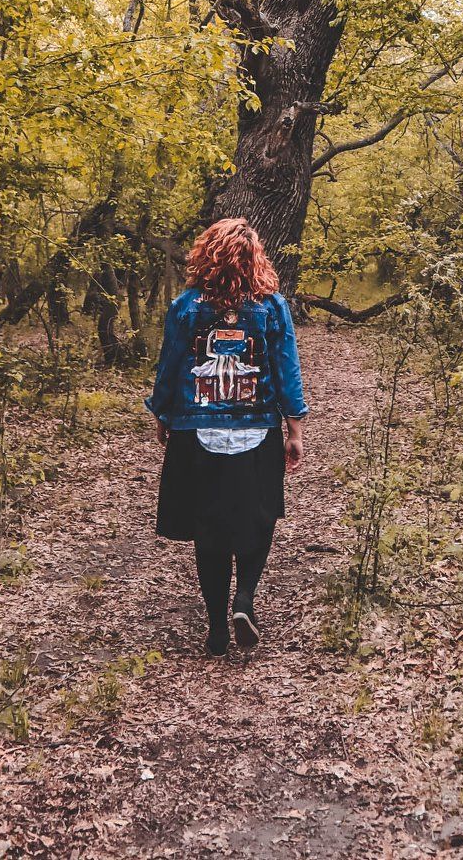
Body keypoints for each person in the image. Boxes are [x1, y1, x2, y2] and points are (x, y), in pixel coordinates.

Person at [146, 216, 308, 656]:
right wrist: (293, 429)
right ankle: (245, 599)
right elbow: (286, 369)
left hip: (196, 433)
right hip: (256, 431)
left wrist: (163, 414)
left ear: (207, 256)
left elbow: (171, 364)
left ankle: (217, 627)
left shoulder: (185, 306)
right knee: (258, 520)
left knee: (208, 528)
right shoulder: (272, 306)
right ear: (256, 260)